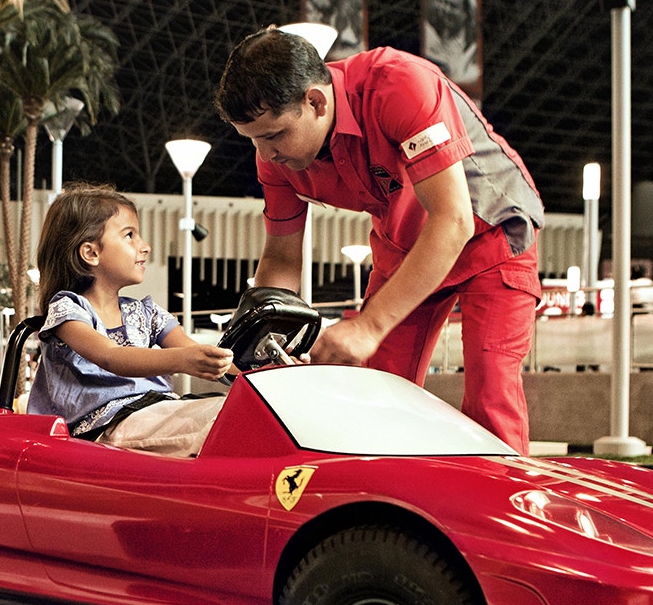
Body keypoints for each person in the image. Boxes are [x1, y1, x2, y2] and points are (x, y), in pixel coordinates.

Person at [214, 27, 544, 452]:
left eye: (274, 135)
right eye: (253, 140)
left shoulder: (399, 84)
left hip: (491, 234)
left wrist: (368, 326)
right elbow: (280, 257)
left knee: (490, 386)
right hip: (403, 247)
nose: (266, 154)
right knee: (378, 390)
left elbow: (453, 220)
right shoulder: (275, 160)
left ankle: (499, 511)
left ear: (316, 101)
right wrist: (260, 342)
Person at [26, 183, 233, 457]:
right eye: (129, 235)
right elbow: (111, 357)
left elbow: (198, 351)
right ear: (91, 253)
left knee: (244, 413)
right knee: (221, 421)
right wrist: (184, 359)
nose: (144, 246)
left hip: (155, 414)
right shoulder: (69, 311)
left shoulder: (146, 313)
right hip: (103, 428)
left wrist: (265, 371)